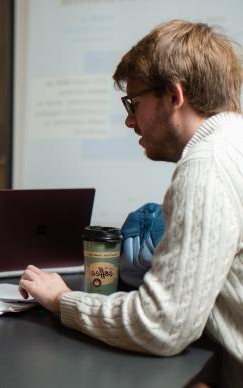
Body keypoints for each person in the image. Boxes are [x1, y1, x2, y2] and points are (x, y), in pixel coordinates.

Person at [18, 20, 243, 385]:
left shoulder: (206, 166)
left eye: (134, 103)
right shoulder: (234, 141)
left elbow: (163, 325)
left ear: (174, 96)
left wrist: (63, 301)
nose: (128, 119)